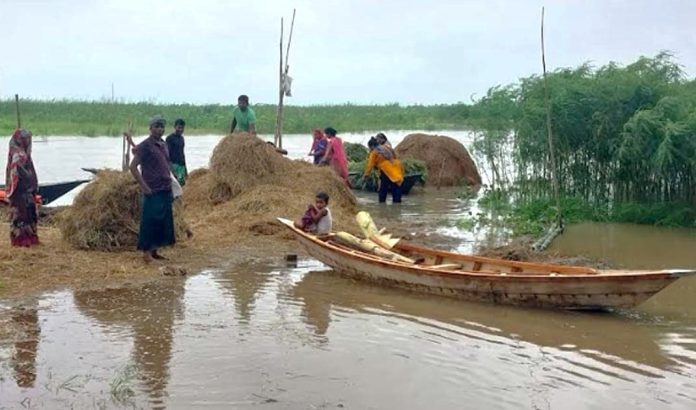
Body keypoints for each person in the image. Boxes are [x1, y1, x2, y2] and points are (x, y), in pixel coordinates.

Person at [129, 116, 176, 263]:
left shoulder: (163, 144)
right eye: (156, 126)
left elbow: (167, 165)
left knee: (162, 221)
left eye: (162, 126)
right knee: (150, 221)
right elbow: (133, 167)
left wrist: (174, 182)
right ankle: (146, 254)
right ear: (150, 128)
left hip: (165, 188)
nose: (160, 129)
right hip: (152, 189)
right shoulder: (145, 146)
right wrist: (144, 186)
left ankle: (155, 251)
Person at [5, 128, 39, 247]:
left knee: (27, 215)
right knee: (22, 215)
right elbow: (20, 174)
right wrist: (30, 182)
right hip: (21, 192)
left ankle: (27, 238)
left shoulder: (20, 153)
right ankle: (22, 240)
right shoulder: (19, 155)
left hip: (24, 192)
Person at [364, 133, 404, 203]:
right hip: (397, 167)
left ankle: (382, 204)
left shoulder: (375, 152)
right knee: (396, 187)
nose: (370, 149)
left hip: (386, 170)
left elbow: (370, 165)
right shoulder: (387, 147)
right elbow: (395, 155)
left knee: (383, 189)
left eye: (370, 148)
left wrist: (366, 175)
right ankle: (397, 207)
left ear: (372, 146)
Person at [166, 118, 188, 186]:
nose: (180, 130)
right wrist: (171, 170)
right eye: (179, 127)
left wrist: (185, 170)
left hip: (181, 166)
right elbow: (167, 155)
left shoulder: (182, 139)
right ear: (175, 127)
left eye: (182, 128)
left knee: (182, 185)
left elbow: (182, 153)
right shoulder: (169, 138)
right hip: (173, 165)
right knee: (174, 186)